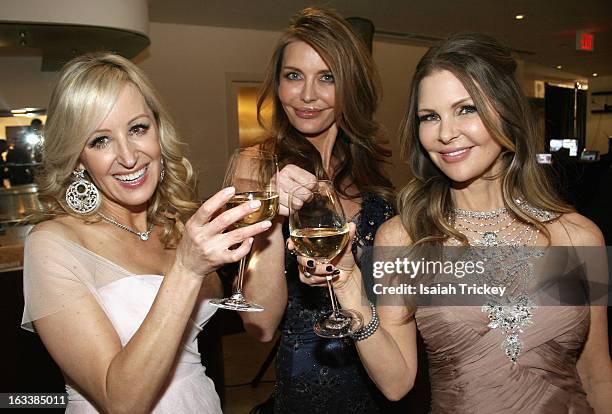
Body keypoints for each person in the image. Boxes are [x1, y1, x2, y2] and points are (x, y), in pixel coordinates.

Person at [302, 33, 612, 413]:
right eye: (430, 117)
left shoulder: (578, 236)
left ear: (506, 112)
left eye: (466, 109)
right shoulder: (405, 237)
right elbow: (397, 384)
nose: (446, 133)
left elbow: (597, 374)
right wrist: (351, 291)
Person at [21, 52, 272, 413]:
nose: (128, 156)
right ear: (78, 159)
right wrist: (186, 270)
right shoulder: (53, 244)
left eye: (138, 129)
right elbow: (121, 402)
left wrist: (270, 226)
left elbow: (255, 321)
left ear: (158, 130)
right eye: (99, 141)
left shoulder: (176, 223)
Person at [238, 7, 401, 414]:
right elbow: (258, 325)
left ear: (350, 87)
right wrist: (274, 217)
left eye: (326, 77)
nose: (307, 95)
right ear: (277, 85)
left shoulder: (371, 172)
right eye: (294, 75)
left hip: (382, 373)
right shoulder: (257, 165)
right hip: (310, 385)